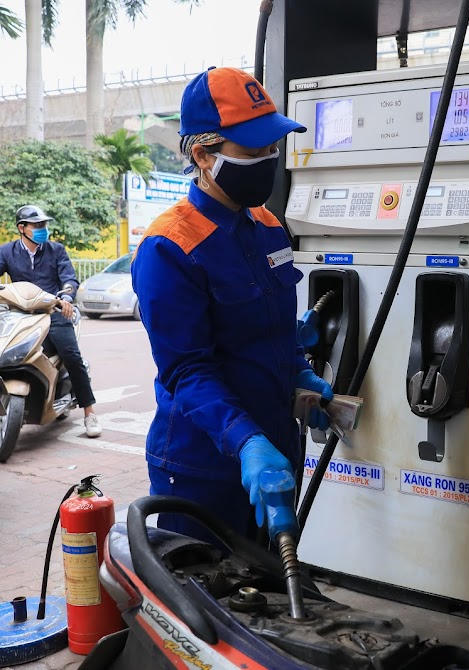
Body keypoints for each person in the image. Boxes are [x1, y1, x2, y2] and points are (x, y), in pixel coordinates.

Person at [131, 67, 333, 542]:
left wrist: (298, 372)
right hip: (204, 466)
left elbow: (274, 328)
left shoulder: (268, 226)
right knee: (208, 586)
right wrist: (246, 442)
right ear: (203, 155)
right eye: (252, 151)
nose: (268, 160)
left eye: (272, 148)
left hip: (274, 453)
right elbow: (187, 370)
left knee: (271, 582)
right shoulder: (169, 246)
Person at [0, 205, 101, 438]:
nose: (43, 229)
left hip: (54, 312)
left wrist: (66, 298)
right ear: (22, 228)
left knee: (71, 356)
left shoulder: (56, 250)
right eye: (37, 225)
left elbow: (69, 279)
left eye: (44, 225)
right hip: (21, 314)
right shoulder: (7, 252)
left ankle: (89, 412)